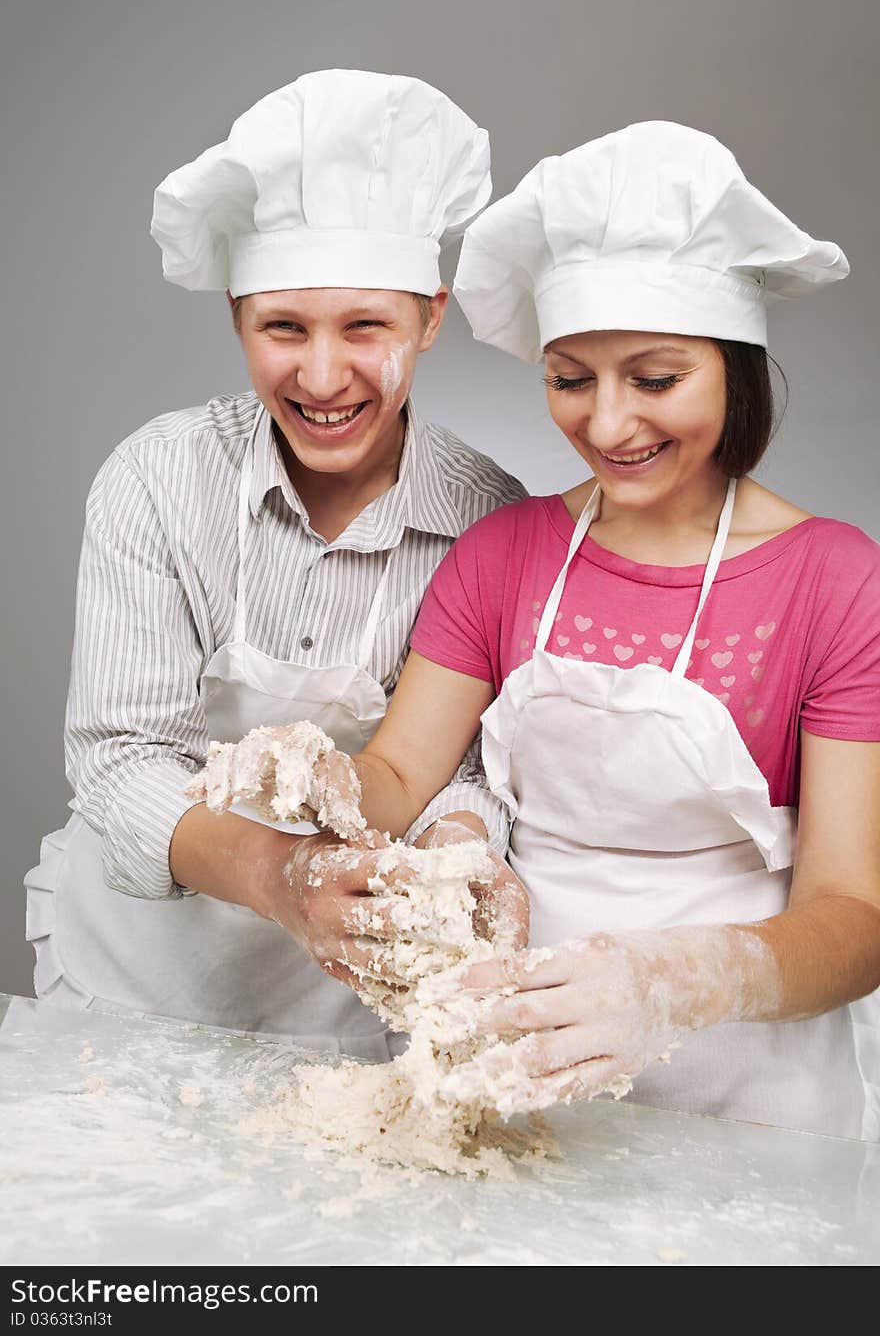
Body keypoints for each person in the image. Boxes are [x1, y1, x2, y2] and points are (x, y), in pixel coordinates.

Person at [344, 122, 880, 1137]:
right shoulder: (502, 554)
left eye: (655, 378)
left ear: (734, 366)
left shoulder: (836, 580)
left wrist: (678, 979)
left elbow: (856, 918)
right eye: (569, 378)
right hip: (513, 1078)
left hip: (751, 1094)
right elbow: (398, 779)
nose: (606, 426)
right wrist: (317, 789)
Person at [24, 70, 526, 1056]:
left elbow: (467, 769)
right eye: (283, 326)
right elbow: (122, 760)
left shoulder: (489, 520)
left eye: (366, 326)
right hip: (134, 968)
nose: (324, 375)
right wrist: (281, 877)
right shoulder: (159, 481)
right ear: (237, 319)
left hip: (343, 1006)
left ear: (430, 316)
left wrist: (460, 853)